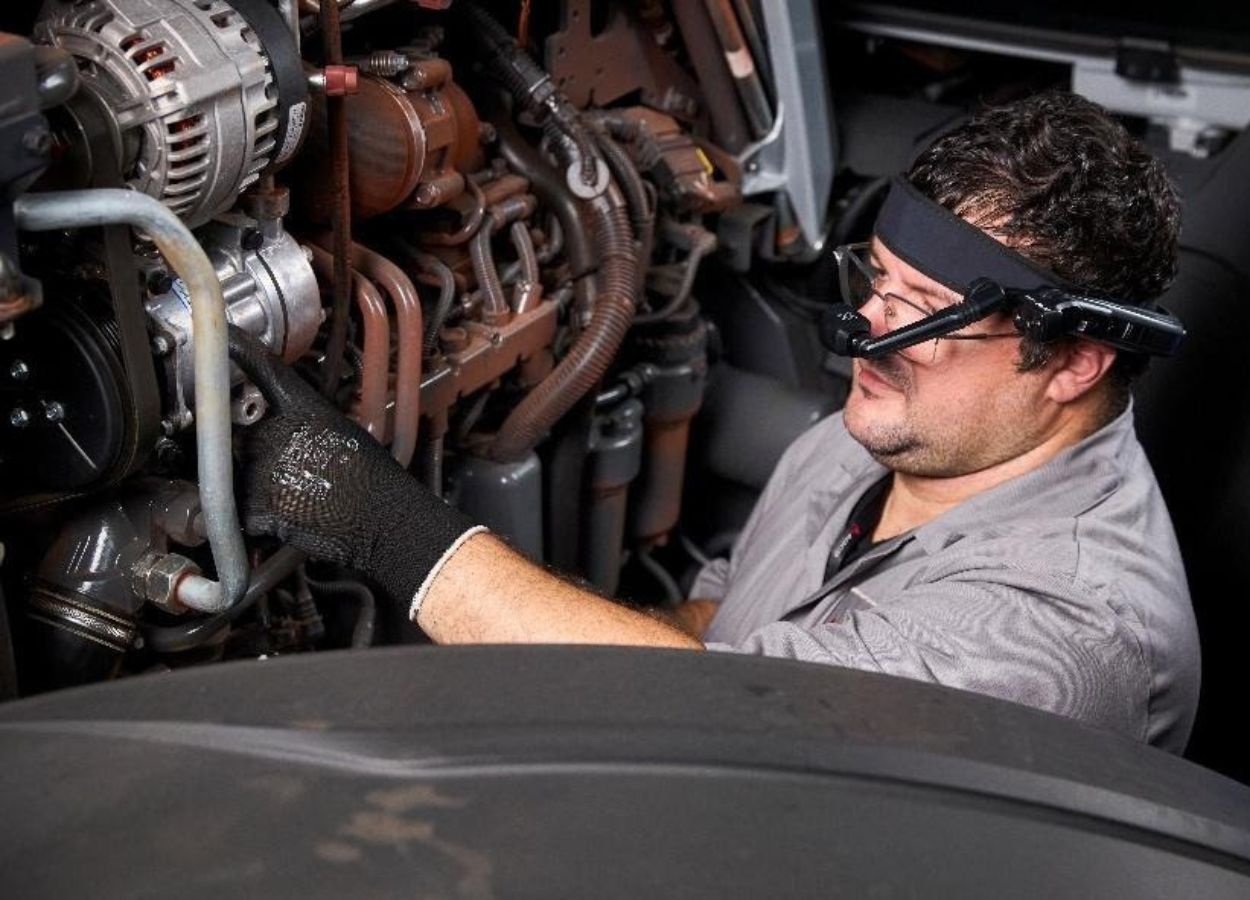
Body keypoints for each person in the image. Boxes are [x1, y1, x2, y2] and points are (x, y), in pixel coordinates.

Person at [231, 90, 1199, 752]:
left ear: (1072, 361)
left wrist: (374, 519)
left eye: (923, 312)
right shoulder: (899, 432)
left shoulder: (1056, 638)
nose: (867, 331)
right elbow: (727, 621)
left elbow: (725, 713)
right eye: (877, 285)